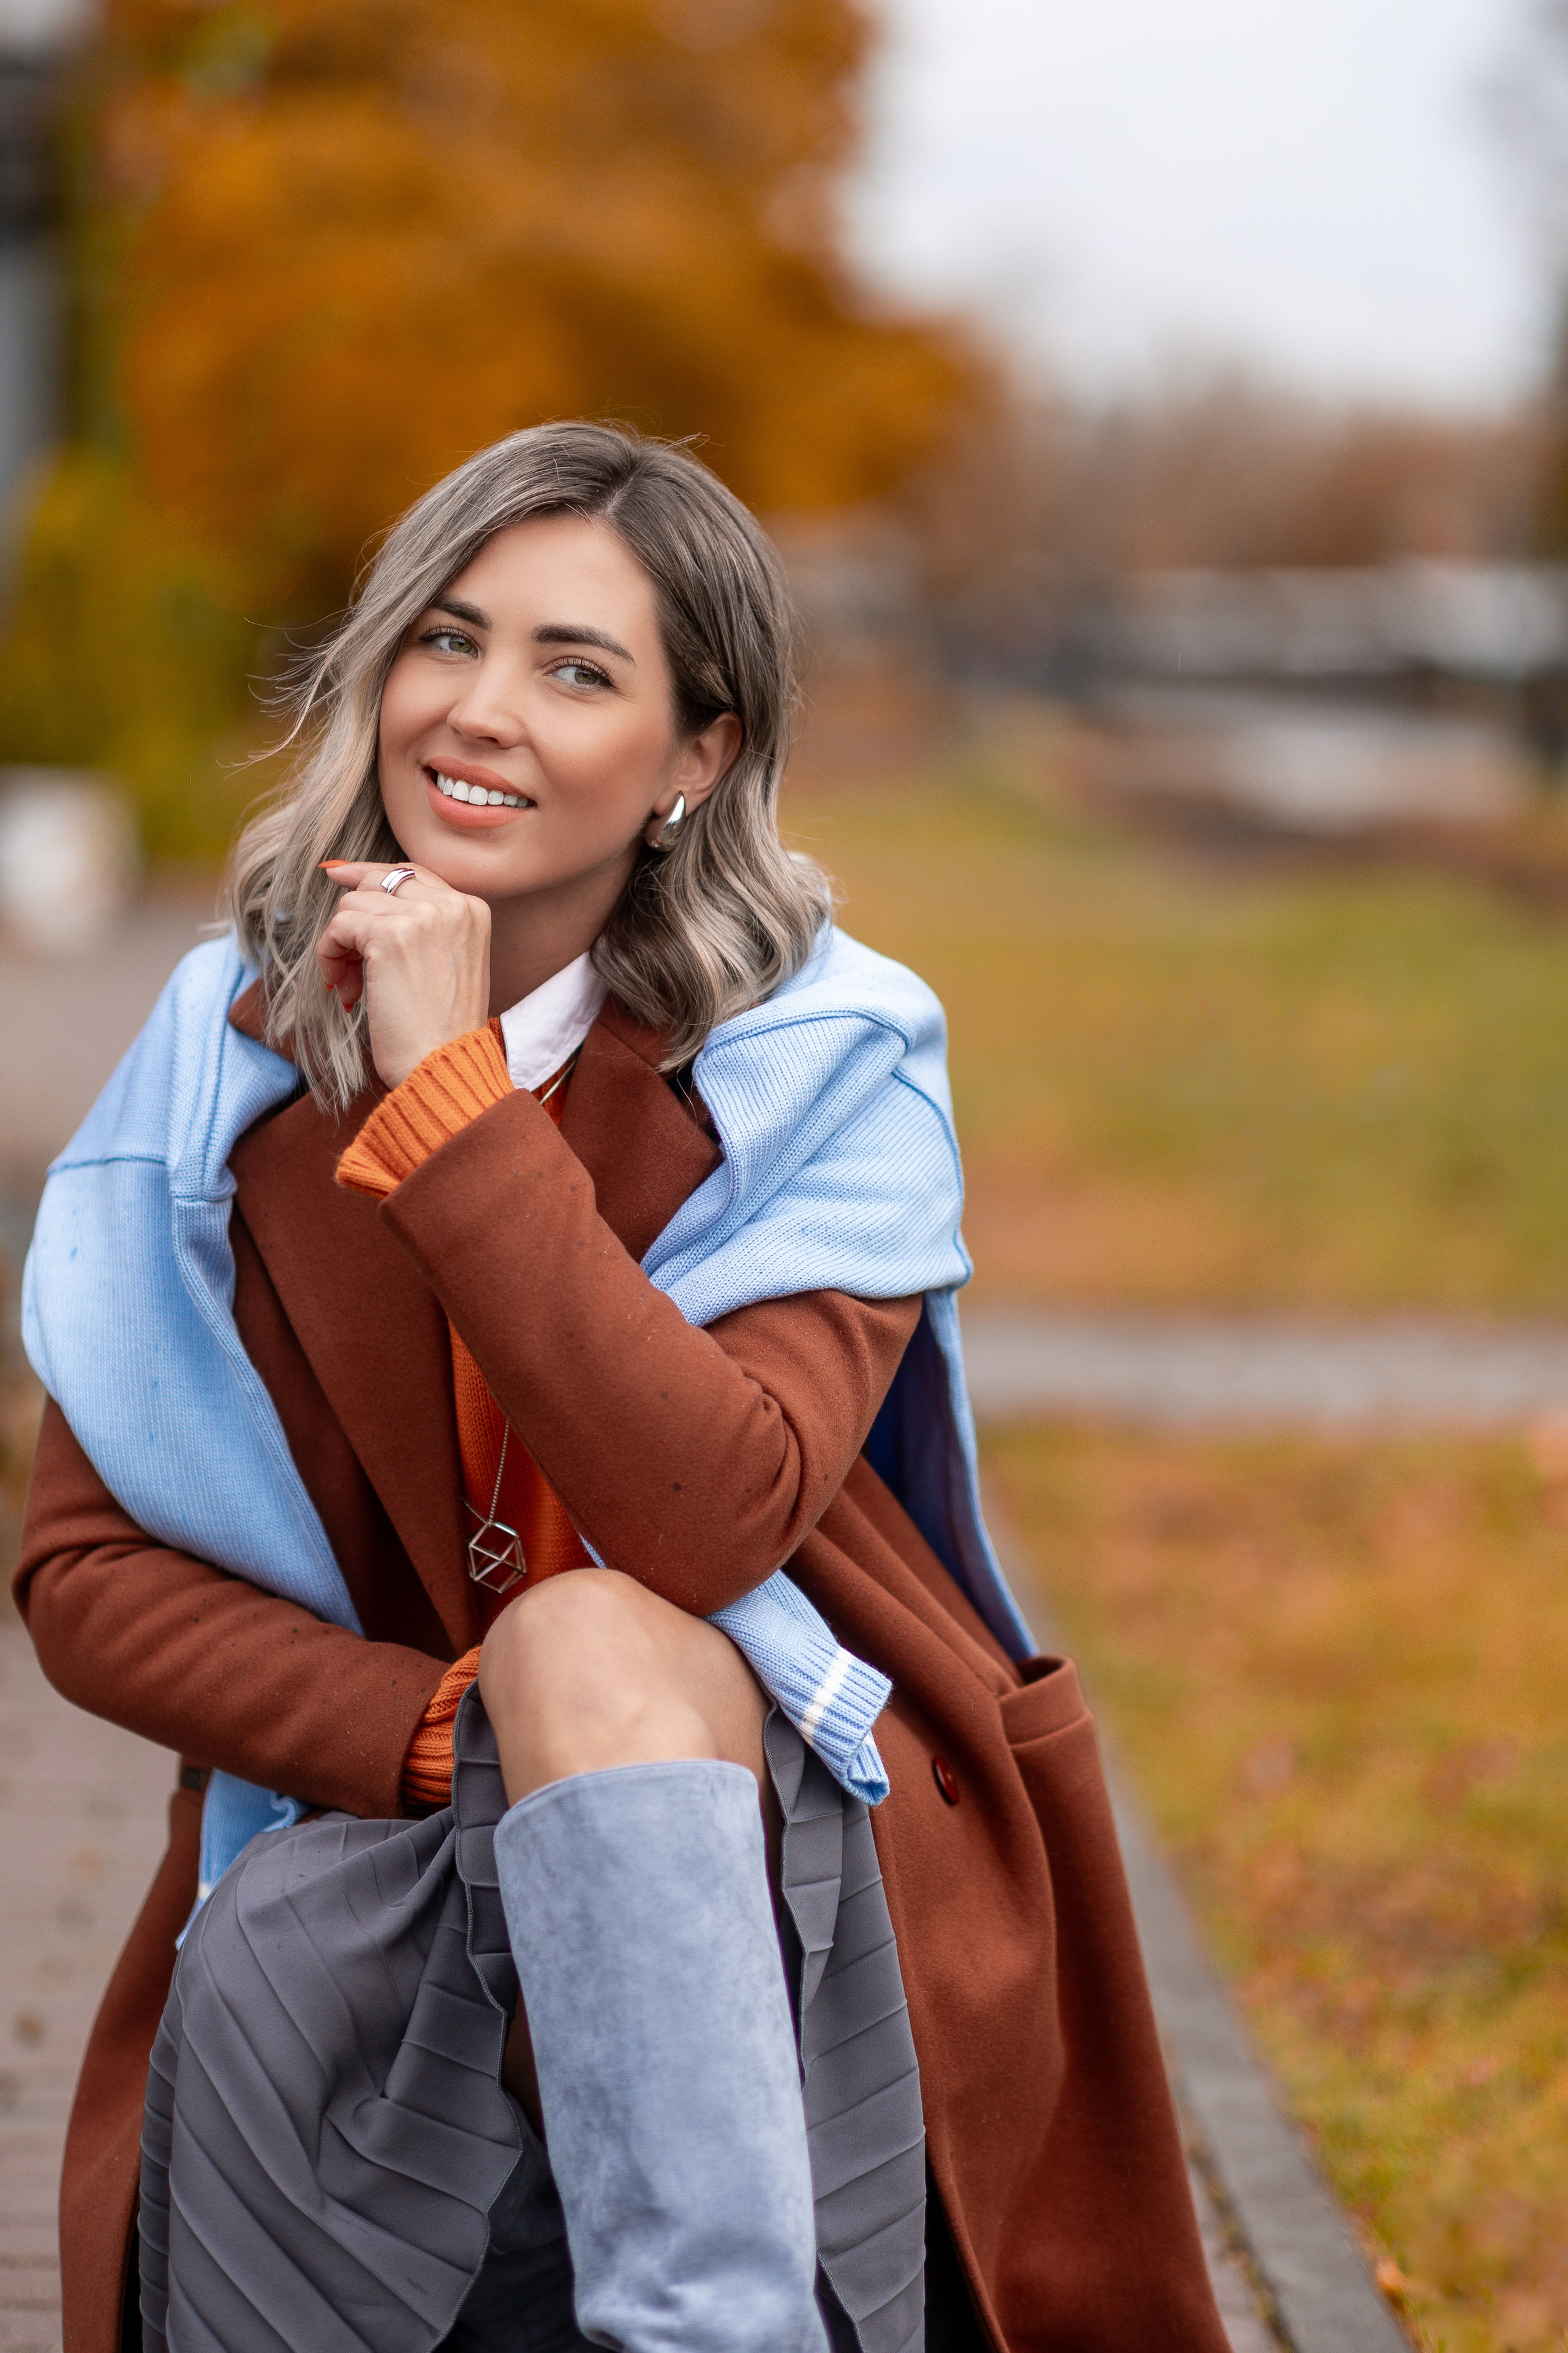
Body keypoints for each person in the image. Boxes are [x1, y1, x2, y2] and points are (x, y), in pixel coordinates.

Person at [17, 422, 1230, 2353]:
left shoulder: (828, 1058)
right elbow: (81, 1573)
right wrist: (439, 1736)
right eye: (448, 639)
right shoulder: (220, 1057)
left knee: (594, 1627)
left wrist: (450, 1106)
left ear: (698, 759)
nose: (480, 713)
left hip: (772, 1832)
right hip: (367, 1814)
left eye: (577, 670)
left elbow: (707, 1508)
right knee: (422, 1804)